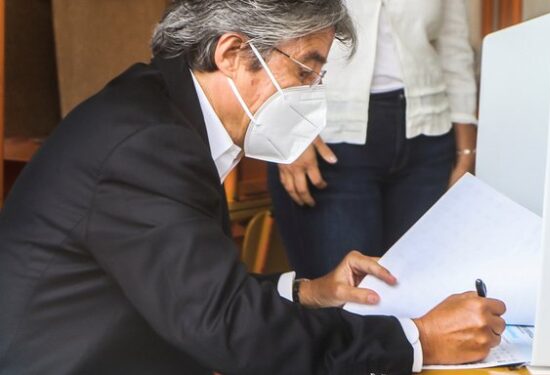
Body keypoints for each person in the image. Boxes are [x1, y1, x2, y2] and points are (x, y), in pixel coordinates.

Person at [0, 1, 507, 374]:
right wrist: (417, 339)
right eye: (306, 67)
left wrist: (309, 292)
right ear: (234, 53)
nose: (314, 92)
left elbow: (201, 291)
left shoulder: (163, 113)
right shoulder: (149, 146)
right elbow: (228, 327)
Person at [269, 0, 480, 279]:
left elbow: (453, 44)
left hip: (428, 137)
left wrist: (467, 151)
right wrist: (285, 126)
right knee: (344, 304)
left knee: (418, 296)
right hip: (326, 136)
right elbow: (259, 29)